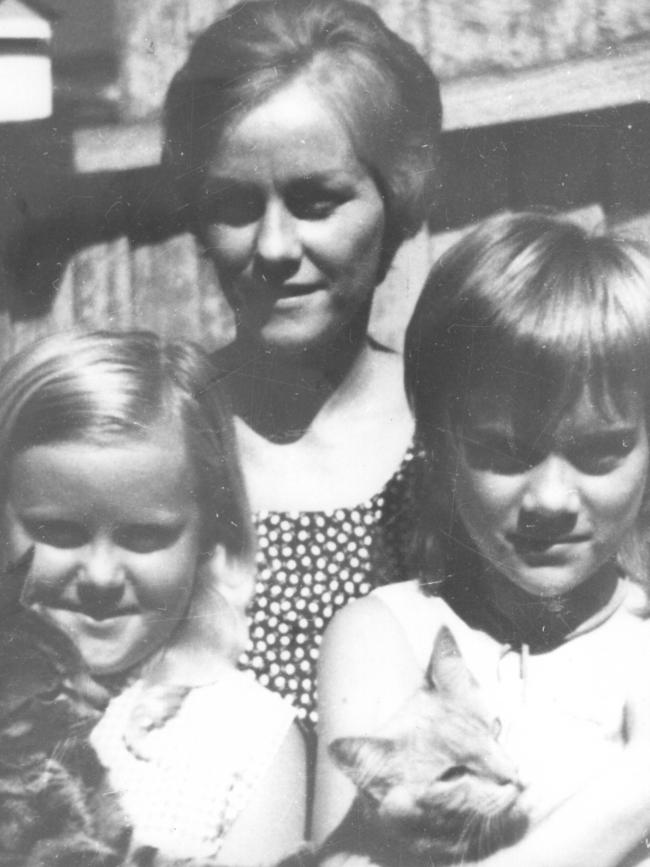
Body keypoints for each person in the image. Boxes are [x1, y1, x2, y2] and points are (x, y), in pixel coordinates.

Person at [315, 212, 650, 865]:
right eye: (504, 450)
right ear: (440, 445)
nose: (551, 499)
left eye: (601, 451)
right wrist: (636, 792)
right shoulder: (390, 633)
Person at [162, 0, 442, 733]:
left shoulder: (465, 439)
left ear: (397, 198)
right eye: (235, 204)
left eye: (317, 200)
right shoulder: (155, 438)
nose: (276, 246)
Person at [0, 331, 306, 864]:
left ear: (210, 537)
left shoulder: (246, 737)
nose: (99, 575)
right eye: (58, 531)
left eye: (144, 536)